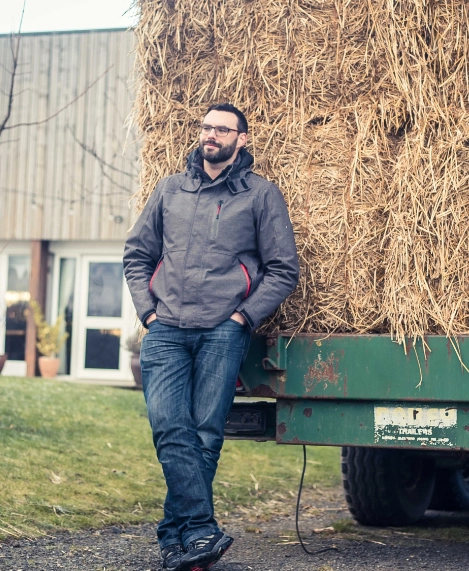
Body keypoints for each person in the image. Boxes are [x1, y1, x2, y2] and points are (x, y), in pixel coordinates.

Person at [123, 103, 299, 571]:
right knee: (168, 426)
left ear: (242, 139)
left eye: (222, 129)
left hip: (223, 330)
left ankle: (176, 538)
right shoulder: (170, 190)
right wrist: (148, 312)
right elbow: (137, 254)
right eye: (206, 127)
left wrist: (243, 318)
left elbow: (284, 270)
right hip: (165, 330)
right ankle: (200, 529)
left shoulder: (260, 195)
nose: (211, 135)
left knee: (205, 435)